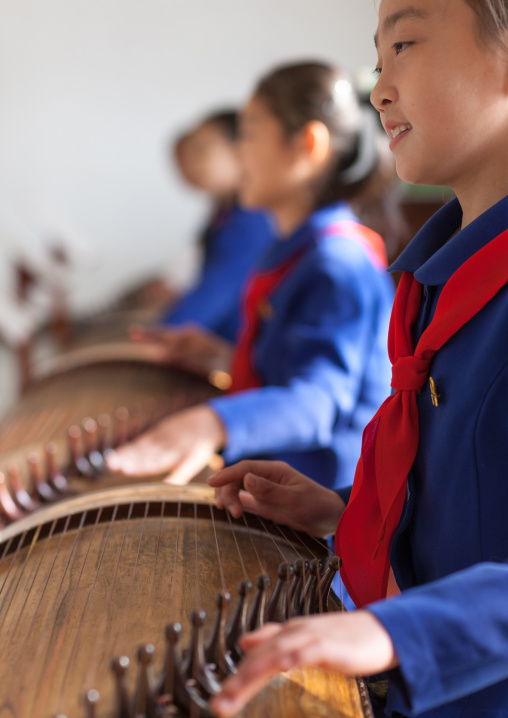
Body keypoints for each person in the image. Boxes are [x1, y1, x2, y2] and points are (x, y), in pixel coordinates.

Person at [205, 1, 508, 717]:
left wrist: (391, 630)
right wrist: (340, 511)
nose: (378, 88)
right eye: (379, 60)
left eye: (404, 44)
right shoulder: (435, 277)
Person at [106, 62, 395, 490]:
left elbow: (319, 401)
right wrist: (222, 357)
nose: (239, 152)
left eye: (251, 132)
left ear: (306, 147)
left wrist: (211, 422)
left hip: (321, 508)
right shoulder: (297, 251)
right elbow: (290, 373)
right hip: (274, 478)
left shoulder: (339, 264)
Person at [121, 111, 274, 341]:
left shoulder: (252, 221)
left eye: (200, 150)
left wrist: (157, 336)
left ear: (242, 152)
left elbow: (214, 295)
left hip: (234, 350)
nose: (189, 163)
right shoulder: (225, 212)